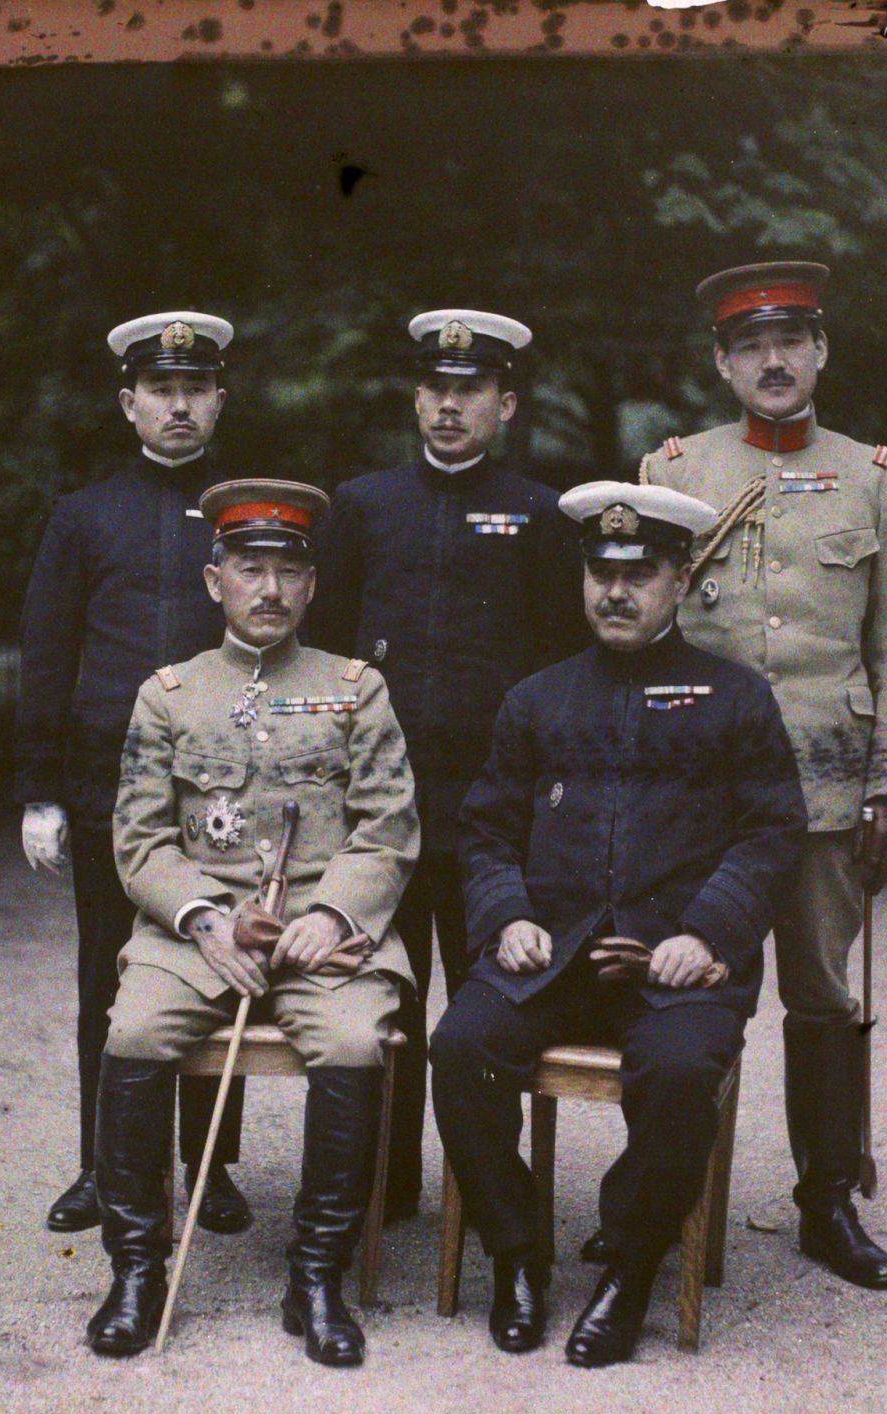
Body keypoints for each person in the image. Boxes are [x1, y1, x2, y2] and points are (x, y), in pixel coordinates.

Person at [429, 481, 808, 1367]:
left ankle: (629, 1268)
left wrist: (708, 933)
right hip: (551, 959)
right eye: (601, 571)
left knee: (679, 1074)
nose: (615, 591)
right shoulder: (538, 700)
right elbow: (483, 828)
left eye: (640, 574)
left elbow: (772, 832)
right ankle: (517, 1254)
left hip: (676, 968)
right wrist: (507, 916)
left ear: (682, 579)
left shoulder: (736, 698)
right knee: (460, 1046)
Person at [636, 261, 887, 1291]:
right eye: (750, 345)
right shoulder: (672, 473)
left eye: (790, 340)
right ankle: (650, 1203)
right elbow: (644, 637)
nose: (772, 360)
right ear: (722, 363)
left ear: (820, 352)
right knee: (675, 990)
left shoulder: (872, 477)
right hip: (701, 793)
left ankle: (824, 1205)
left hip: (823, 784)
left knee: (817, 996)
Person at [86, 479, 421, 1366]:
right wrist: (203, 918)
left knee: (352, 1041)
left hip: (324, 932)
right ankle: (135, 1267)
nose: (268, 589)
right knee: (134, 1029)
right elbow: (142, 838)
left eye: (285, 572)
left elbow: (389, 829)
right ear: (214, 581)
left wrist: (333, 911)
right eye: (248, 569)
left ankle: (316, 1274)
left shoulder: (357, 689)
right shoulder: (168, 694)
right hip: (198, 932)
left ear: (312, 587)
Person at [310, 309, 583, 1223]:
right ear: (416, 398)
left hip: (490, 817)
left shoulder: (543, 515)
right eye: (435, 389)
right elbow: (329, 651)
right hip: (381, 809)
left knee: (484, 1015)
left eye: (470, 392)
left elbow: (558, 671)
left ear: (504, 404)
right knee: (381, 999)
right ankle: (381, 1192)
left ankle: (484, 1202)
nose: (449, 407)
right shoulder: (363, 504)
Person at [14, 311, 252, 1239]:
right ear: (129, 403)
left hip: (227, 785)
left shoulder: (246, 512)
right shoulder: (83, 517)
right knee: (107, 977)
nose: (179, 405)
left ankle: (210, 1167)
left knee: (222, 967)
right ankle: (102, 1162)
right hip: (113, 786)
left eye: (196, 390)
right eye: (161, 390)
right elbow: (46, 654)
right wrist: (40, 790)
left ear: (220, 401)